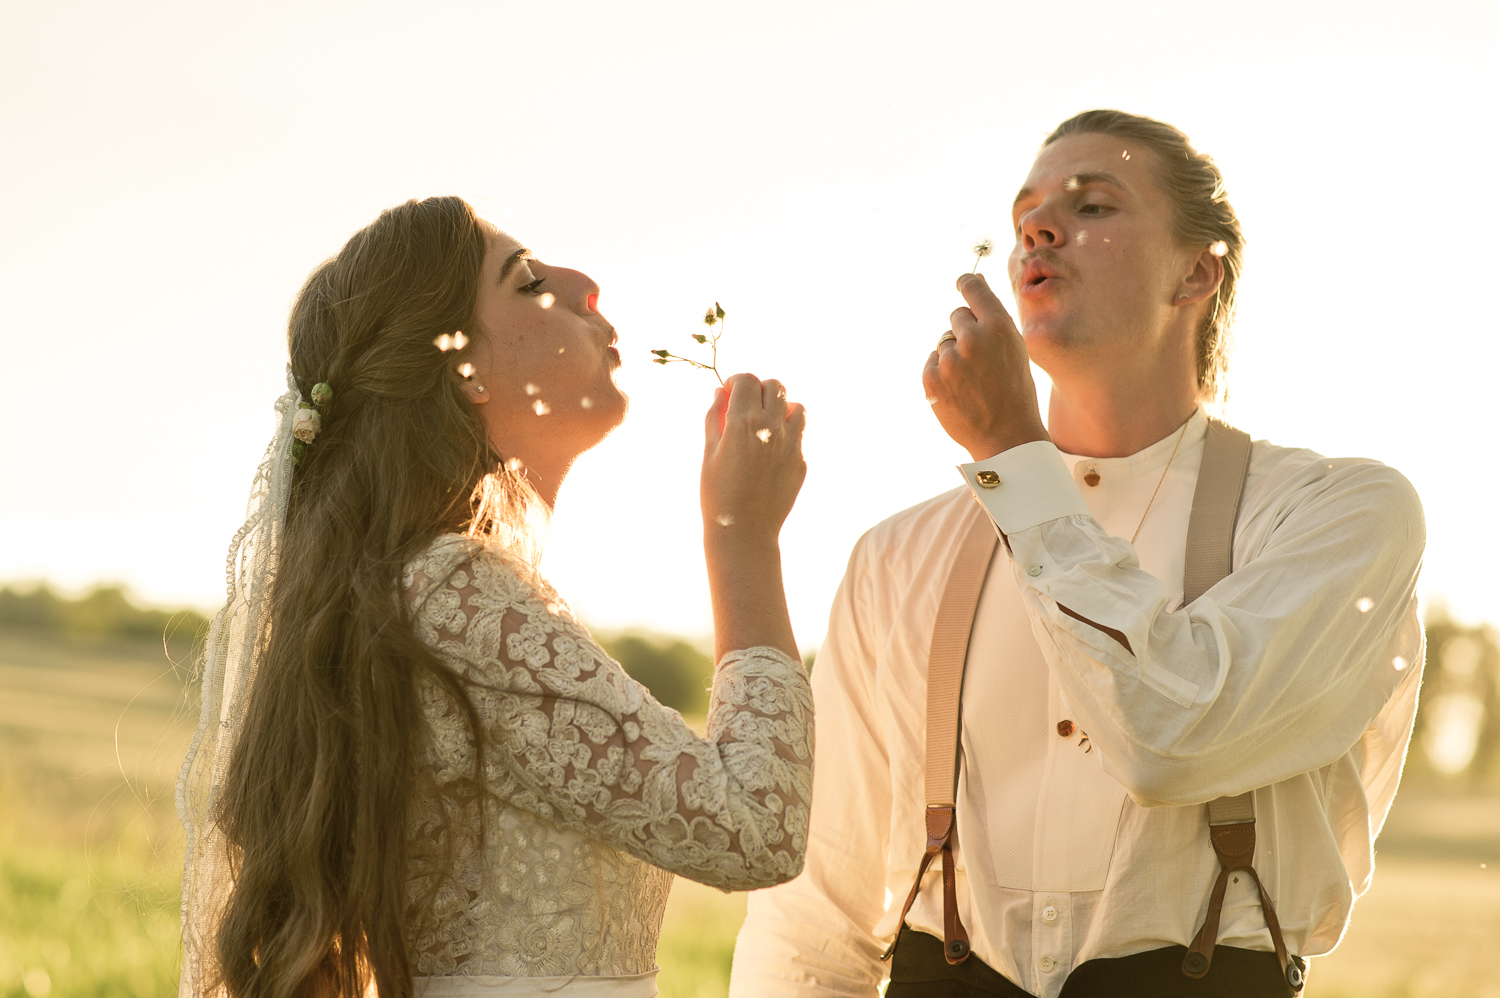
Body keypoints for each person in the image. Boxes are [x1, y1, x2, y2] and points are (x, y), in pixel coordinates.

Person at [729, 110, 1425, 998]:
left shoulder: (1337, 513)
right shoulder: (896, 556)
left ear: (1196, 272)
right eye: (1027, 213)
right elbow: (814, 917)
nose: (1040, 228)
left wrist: (1018, 462)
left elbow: (1171, 741)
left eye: (1093, 205)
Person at [176, 196, 814, 998]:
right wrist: (743, 535)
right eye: (528, 283)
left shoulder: (435, 587)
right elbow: (755, 827)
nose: (586, 286)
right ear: (463, 372)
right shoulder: (454, 593)